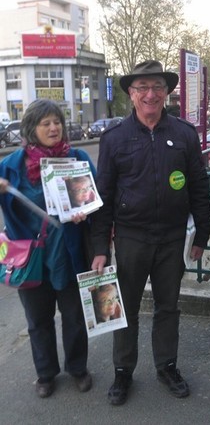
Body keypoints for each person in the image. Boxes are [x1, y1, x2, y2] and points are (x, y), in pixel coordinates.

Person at [91, 60, 210, 405]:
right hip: (130, 239)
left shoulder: (184, 135)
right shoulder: (114, 139)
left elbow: (199, 188)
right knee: (123, 308)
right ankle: (122, 372)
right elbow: (104, 198)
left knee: (168, 307)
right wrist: (100, 245)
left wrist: (202, 234)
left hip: (173, 238)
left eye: (157, 86)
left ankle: (167, 366)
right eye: (142, 87)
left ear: (166, 92)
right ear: (130, 94)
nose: (150, 94)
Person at [0, 99, 95, 398]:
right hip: (30, 258)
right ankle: (45, 374)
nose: (54, 128)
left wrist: (86, 211)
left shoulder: (77, 158)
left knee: (75, 317)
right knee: (38, 321)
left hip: (67, 254)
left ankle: (78, 368)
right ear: (32, 129)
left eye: (57, 122)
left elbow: (95, 197)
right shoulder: (10, 166)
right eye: (46, 123)